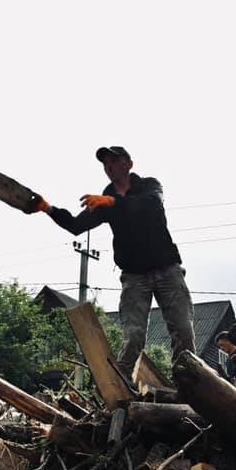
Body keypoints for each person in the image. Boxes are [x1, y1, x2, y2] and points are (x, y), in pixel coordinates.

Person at [30, 145, 194, 377]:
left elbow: (150, 206)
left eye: (114, 162)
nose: (109, 167)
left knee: (183, 330)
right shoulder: (103, 202)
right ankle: (120, 386)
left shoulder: (149, 186)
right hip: (135, 276)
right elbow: (76, 226)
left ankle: (188, 383)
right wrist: (47, 208)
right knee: (133, 336)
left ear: (128, 164)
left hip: (167, 270)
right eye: (105, 164)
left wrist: (112, 203)